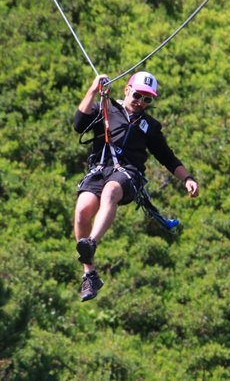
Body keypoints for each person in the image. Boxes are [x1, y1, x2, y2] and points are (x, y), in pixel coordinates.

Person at [72, 71, 199, 301]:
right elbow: (79, 125)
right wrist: (93, 90)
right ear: (127, 90)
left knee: (111, 190)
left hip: (128, 174)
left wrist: (188, 178)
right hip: (100, 168)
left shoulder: (149, 126)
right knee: (82, 211)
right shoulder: (106, 108)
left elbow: (167, 157)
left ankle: (92, 242)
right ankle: (89, 274)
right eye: (138, 95)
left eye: (147, 99)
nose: (141, 102)